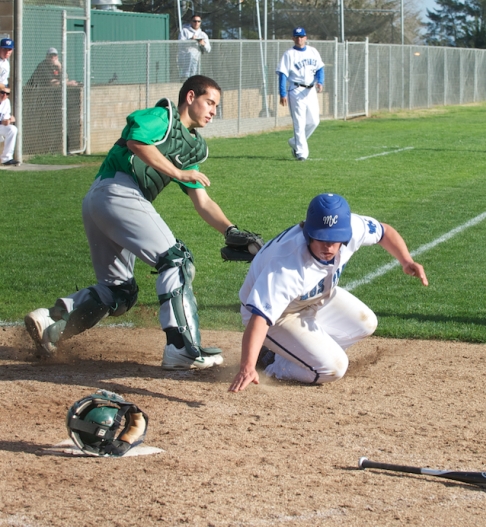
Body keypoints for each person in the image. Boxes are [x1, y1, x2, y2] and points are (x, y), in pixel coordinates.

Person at [25, 75, 251, 370]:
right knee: (177, 260)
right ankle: (181, 349)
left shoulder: (190, 146)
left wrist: (230, 230)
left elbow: (203, 201)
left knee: (118, 291)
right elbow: (136, 142)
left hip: (102, 201)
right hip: (117, 193)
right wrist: (178, 173)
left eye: (216, 106)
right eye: (210, 102)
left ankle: (51, 322)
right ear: (190, 97)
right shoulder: (162, 117)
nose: (213, 111)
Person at [229, 193, 428, 391]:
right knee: (332, 369)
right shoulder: (287, 266)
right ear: (308, 232)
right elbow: (260, 318)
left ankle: (288, 352)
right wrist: (247, 366)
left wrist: (406, 261)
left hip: (313, 297)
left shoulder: (351, 228)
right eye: (322, 238)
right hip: (277, 315)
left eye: (335, 239)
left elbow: (384, 232)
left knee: (366, 323)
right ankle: (272, 365)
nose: (329, 246)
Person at [277, 27, 324, 161]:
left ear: (306, 38)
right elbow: (283, 74)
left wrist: (320, 82)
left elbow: (320, 68)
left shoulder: (313, 51)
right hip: (296, 90)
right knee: (299, 122)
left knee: (314, 121)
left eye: (302, 36)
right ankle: (301, 153)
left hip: (310, 90)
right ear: (293, 38)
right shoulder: (289, 54)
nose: (299, 39)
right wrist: (283, 93)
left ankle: (295, 142)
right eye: (297, 37)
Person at [0, 84, 19, 166]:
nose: (4, 95)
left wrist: (10, 120)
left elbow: (5, 118)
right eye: (2, 92)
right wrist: (2, 122)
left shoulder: (6, 102)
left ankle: (6, 159)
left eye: (7, 94)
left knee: (12, 129)